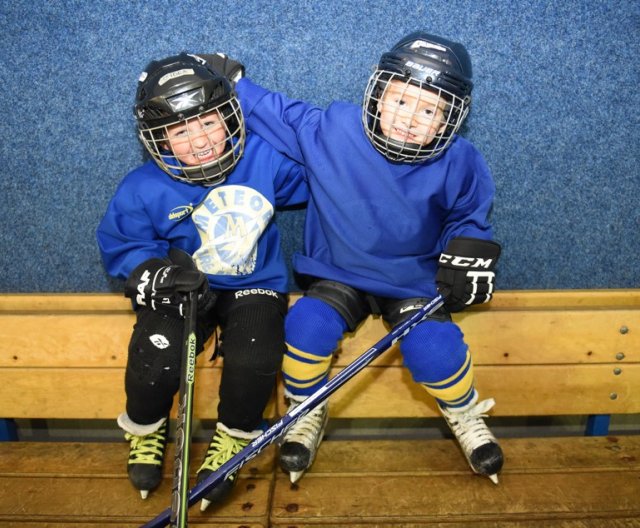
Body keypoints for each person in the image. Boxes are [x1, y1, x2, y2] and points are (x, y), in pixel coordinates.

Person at [204, 30, 504, 486]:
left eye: (429, 110)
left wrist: (469, 254)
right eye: (401, 101)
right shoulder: (335, 129)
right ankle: (307, 409)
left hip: (412, 280)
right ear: (378, 96)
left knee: (435, 348)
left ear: (448, 120)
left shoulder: (461, 161)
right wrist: (232, 80)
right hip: (340, 273)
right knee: (307, 325)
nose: (409, 119)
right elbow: (276, 112)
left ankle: (463, 412)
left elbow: (468, 218)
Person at [96, 53, 307, 510]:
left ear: (230, 116)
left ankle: (233, 439)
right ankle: (147, 428)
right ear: (159, 139)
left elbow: (322, 166)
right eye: (180, 131)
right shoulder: (143, 187)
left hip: (254, 282)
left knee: (255, 355)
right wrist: (157, 273)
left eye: (208, 121)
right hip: (182, 288)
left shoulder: (263, 159)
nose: (201, 141)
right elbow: (122, 243)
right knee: (158, 355)